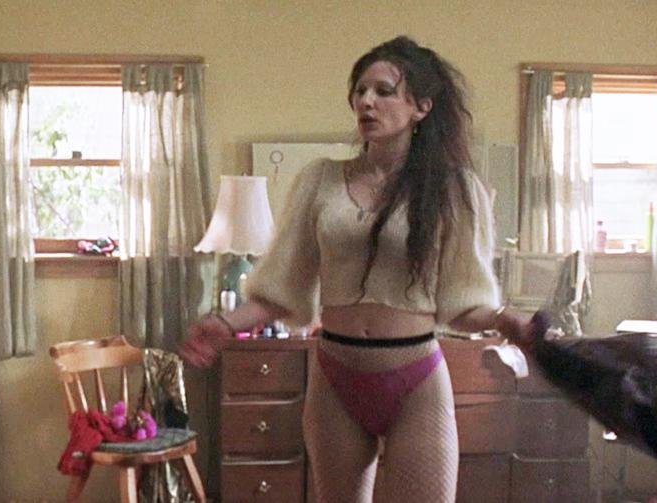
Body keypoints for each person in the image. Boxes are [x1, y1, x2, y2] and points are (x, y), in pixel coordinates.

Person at [181, 36, 534, 502]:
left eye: (384, 91)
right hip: (335, 376)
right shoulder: (320, 179)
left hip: (416, 377)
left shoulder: (455, 190)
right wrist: (225, 324)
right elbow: (284, 286)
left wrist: (505, 320)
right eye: (360, 91)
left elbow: (464, 304)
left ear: (421, 107)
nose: (367, 101)